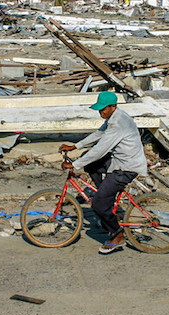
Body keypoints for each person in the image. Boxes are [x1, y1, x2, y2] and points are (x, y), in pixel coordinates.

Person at [59, 91, 147, 254]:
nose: (101, 112)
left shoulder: (118, 123)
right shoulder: (115, 117)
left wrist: (74, 165)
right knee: (92, 166)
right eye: (99, 110)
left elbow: (100, 149)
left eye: (103, 109)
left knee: (98, 203)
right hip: (120, 159)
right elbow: (98, 134)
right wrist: (76, 146)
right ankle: (108, 200)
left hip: (126, 167)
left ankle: (117, 235)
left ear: (113, 106)